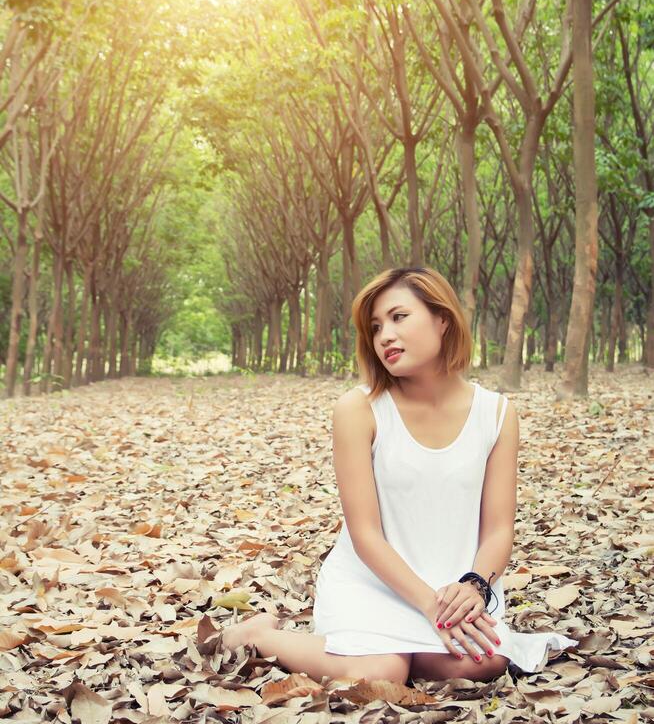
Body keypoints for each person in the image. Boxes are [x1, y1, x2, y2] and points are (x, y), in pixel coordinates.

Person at [221, 266, 578, 684]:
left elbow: (498, 527)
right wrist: (428, 604)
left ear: (442, 319)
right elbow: (365, 534)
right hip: (372, 583)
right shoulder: (359, 409)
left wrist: (475, 586)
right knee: (382, 672)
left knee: (482, 663)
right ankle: (261, 636)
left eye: (398, 317)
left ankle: (404, 648)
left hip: (454, 587)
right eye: (375, 327)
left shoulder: (496, 413)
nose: (385, 335)